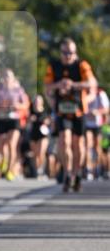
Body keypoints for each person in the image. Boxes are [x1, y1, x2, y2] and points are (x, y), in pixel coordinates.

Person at [44, 38, 96, 193]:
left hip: (79, 109)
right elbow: (47, 86)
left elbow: (91, 83)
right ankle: (67, 173)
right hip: (62, 110)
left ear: (75, 53)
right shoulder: (54, 66)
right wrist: (58, 86)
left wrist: (72, 84)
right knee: (64, 141)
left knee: (78, 144)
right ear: (61, 53)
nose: (68, 56)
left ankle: (77, 172)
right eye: (65, 53)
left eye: (71, 53)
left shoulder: (82, 65)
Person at [0, 67, 30, 181]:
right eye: (5, 76)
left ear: (13, 78)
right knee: (2, 145)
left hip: (14, 119)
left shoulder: (18, 90)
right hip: (2, 119)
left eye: (9, 76)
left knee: (11, 144)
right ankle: (4, 161)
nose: (7, 78)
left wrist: (17, 106)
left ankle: (10, 170)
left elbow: (26, 104)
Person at [83, 86, 109, 180]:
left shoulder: (100, 93)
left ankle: (98, 169)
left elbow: (107, 109)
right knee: (88, 146)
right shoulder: (84, 93)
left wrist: (97, 112)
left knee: (98, 147)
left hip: (98, 124)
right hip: (87, 124)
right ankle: (88, 169)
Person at [28, 95, 51, 179]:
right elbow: (27, 121)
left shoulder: (45, 111)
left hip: (43, 134)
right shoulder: (31, 111)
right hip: (34, 133)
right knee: (36, 154)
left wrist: (46, 121)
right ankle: (38, 170)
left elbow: (50, 120)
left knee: (41, 152)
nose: (37, 103)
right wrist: (30, 119)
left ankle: (42, 169)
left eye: (39, 101)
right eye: (36, 101)